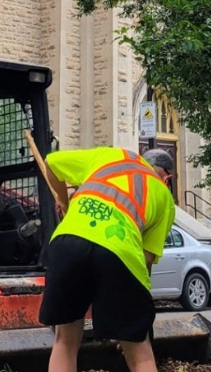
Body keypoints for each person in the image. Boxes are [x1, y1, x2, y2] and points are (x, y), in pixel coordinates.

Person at [38, 146, 176, 372]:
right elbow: (145, 259)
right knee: (140, 356)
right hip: (118, 252)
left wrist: (65, 204)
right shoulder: (164, 199)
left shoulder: (110, 155)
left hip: (68, 240)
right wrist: (131, 321)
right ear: (167, 179)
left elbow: (51, 162)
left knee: (64, 342)